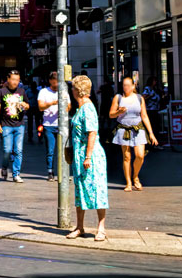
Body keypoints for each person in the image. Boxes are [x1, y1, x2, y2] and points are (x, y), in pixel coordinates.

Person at [67, 74, 108, 241]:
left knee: (97, 190)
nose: (71, 91)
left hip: (90, 156)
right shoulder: (80, 107)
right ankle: (80, 227)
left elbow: (92, 133)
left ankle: (101, 228)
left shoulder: (88, 108)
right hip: (79, 156)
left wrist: (88, 157)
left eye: (72, 88)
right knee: (80, 191)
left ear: (77, 90)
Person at [109, 75, 158, 191]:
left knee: (140, 155)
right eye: (124, 85)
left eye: (128, 85)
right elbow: (111, 114)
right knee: (126, 157)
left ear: (133, 86)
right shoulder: (118, 97)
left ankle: (135, 176)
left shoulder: (139, 98)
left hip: (138, 129)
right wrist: (118, 112)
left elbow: (144, 116)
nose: (125, 87)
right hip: (123, 129)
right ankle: (128, 182)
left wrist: (151, 133)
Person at [0, 69, 29, 182]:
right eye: (13, 79)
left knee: (18, 150)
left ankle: (16, 174)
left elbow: (28, 106)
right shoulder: (2, 91)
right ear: (8, 79)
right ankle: (4, 167)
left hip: (19, 125)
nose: (15, 82)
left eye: (17, 80)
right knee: (7, 150)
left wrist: (25, 105)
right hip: (6, 125)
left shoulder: (22, 91)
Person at [37, 73, 60, 180]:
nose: (57, 85)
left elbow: (69, 106)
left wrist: (63, 106)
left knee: (63, 150)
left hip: (61, 125)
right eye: (55, 82)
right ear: (50, 81)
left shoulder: (63, 91)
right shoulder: (43, 92)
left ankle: (62, 171)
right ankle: (50, 171)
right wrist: (52, 103)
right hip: (48, 125)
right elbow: (40, 107)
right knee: (50, 150)